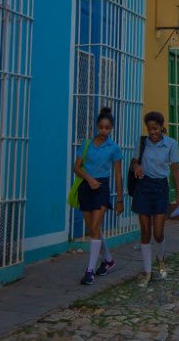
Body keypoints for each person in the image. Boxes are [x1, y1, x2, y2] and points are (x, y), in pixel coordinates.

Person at [130, 111, 179, 287]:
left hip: (160, 188)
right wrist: (136, 166)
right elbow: (134, 161)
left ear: (161, 127)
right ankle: (147, 272)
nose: (152, 132)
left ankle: (161, 259)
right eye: (149, 128)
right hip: (143, 187)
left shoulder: (171, 144)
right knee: (145, 232)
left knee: (158, 233)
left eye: (155, 128)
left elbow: (175, 169)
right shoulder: (142, 142)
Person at [73, 106, 123, 285]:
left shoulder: (114, 148)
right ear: (96, 126)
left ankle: (89, 271)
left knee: (95, 226)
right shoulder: (86, 144)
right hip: (86, 187)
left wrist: (119, 199)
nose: (104, 130)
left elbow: (118, 174)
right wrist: (89, 179)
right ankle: (108, 260)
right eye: (101, 127)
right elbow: (76, 167)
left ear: (112, 128)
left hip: (102, 188)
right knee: (93, 229)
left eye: (107, 127)